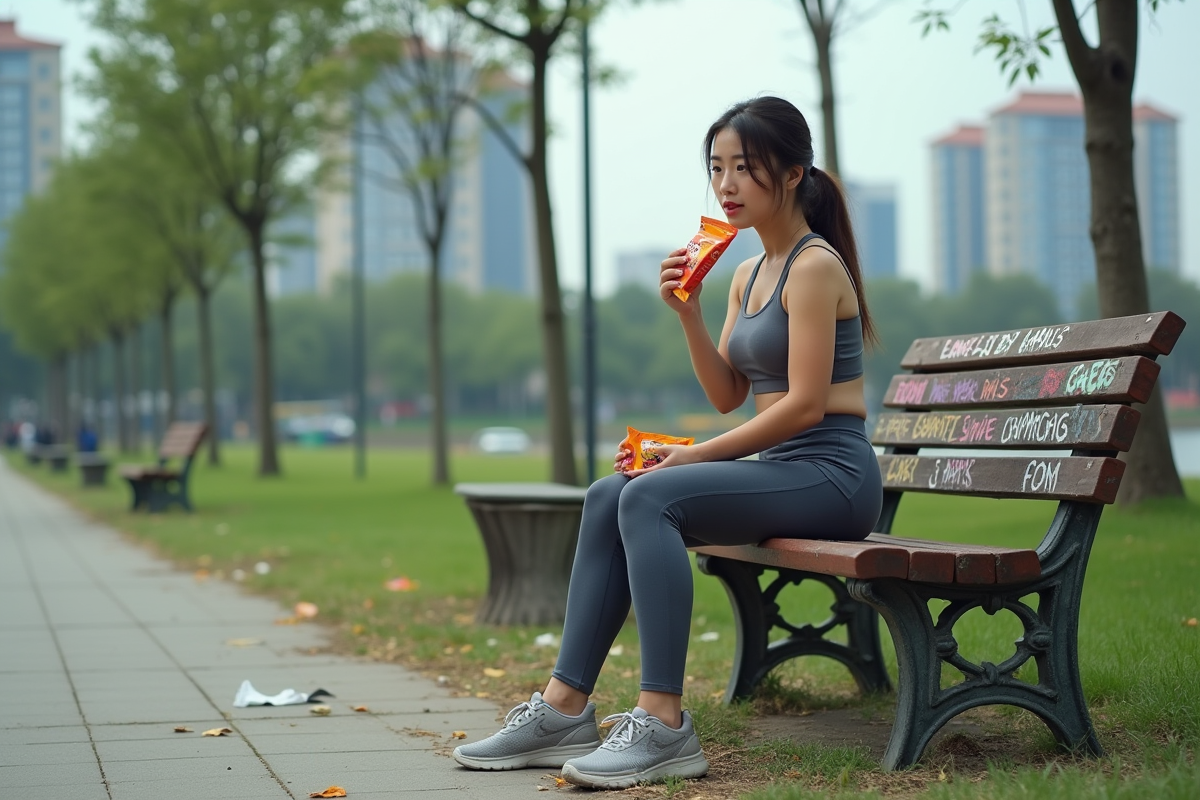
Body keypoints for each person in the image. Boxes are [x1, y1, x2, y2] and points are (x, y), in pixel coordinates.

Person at [453, 96, 883, 789]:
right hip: (784, 467)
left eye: (745, 167)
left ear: (795, 173)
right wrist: (688, 313)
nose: (727, 184)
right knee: (608, 493)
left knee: (651, 499)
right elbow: (726, 395)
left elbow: (804, 406)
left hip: (833, 474)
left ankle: (664, 722)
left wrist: (693, 457)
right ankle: (564, 707)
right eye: (717, 168)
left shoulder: (813, 266)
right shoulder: (748, 273)